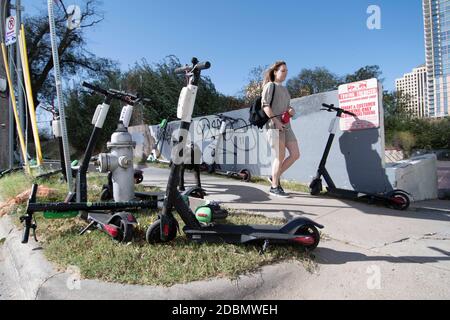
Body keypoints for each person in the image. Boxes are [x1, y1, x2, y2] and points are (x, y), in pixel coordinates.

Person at [262, 61, 300, 197]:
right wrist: (275, 121)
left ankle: (274, 178)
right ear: (275, 72)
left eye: (287, 71)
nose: (286, 73)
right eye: (283, 70)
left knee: (295, 154)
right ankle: (274, 187)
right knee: (280, 156)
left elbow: (286, 107)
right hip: (273, 125)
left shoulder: (285, 89)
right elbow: (265, 105)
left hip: (286, 125)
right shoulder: (270, 86)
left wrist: (290, 110)